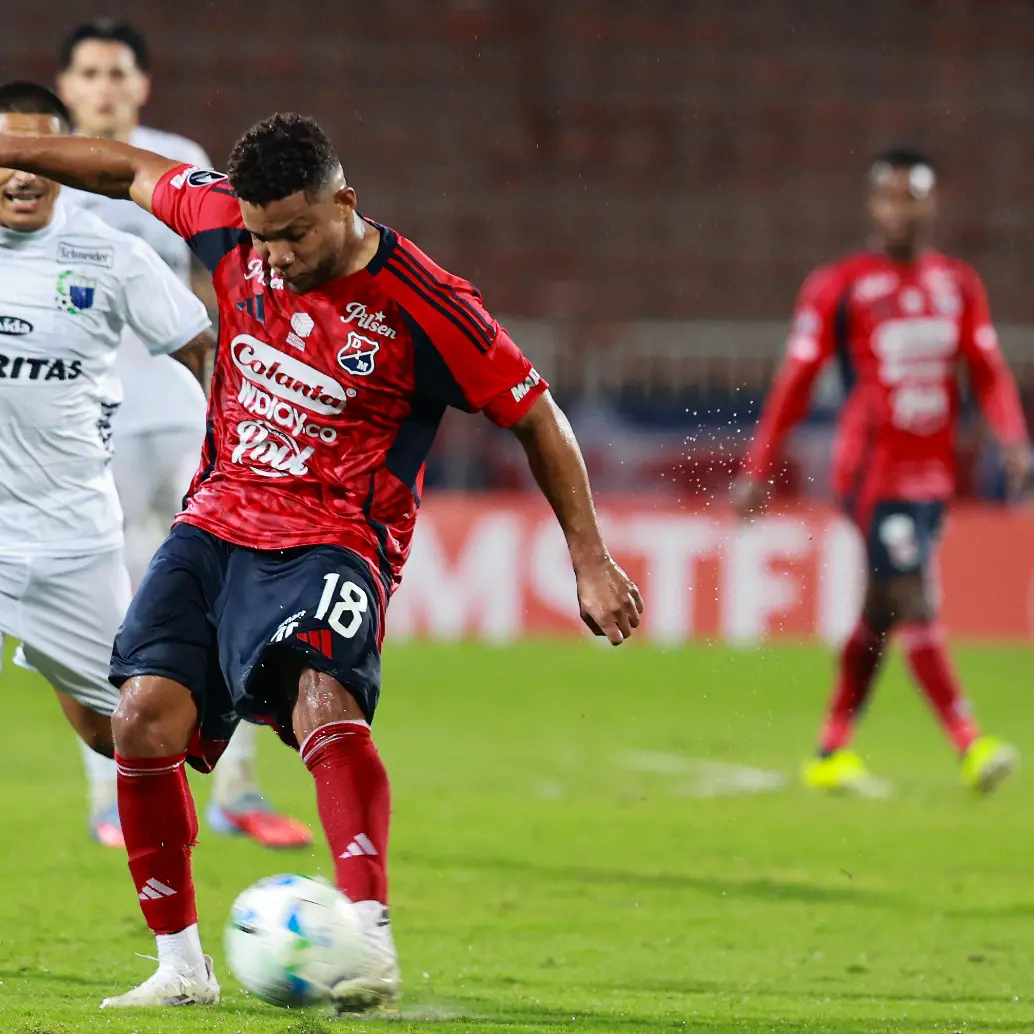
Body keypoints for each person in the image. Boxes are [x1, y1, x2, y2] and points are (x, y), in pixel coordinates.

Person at [0, 111, 643, 1011]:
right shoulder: (229, 222)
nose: (276, 257)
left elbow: (535, 414)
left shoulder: (427, 302)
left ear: (345, 201)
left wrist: (590, 557)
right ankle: (182, 969)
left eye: (296, 234)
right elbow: (120, 168)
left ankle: (369, 937)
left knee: (319, 699)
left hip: (337, 534)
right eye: (262, 238)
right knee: (141, 719)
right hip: (217, 523)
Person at [50, 18, 310, 849]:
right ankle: (111, 793)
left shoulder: (172, 156)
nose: (105, 87)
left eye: (118, 72)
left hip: (185, 413)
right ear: (67, 87)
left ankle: (233, 789)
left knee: (224, 592)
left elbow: (220, 276)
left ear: (141, 85)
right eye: (90, 73)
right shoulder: (39, 174)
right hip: (87, 422)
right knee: (112, 611)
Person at [733, 145, 1030, 795]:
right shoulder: (839, 286)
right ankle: (970, 743)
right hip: (873, 473)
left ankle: (831, 748)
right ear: (873, 205)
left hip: (933, 476)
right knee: (913, 595)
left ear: (931, 204)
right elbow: (796, 381)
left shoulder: (957, 285)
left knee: (880, 613)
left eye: (912, 197)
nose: (900, 210)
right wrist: (760, 465)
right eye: (889, 197)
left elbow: (987, 371)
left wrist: (1012, 437)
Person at [0, 82, 211, 822]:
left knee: (123, 734)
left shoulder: (108, 255)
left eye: (36, 155)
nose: (21, 173)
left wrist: (244, 444)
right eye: (5, 155)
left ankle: (180, 940)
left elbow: (200, 346)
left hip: (69, 537)